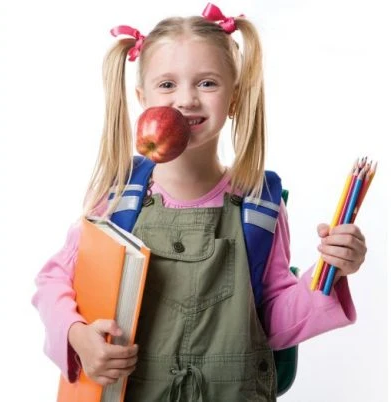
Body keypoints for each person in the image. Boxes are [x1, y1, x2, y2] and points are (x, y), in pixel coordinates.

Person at [31, 3, 367, 400]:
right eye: (167, 85)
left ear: (235, 97)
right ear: (142, 97)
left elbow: (271, 322)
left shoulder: (260, 206)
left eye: (207, 83)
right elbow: (53, 281)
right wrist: (78, 338)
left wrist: (330, 271)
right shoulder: (119, 196)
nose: (186, 100)